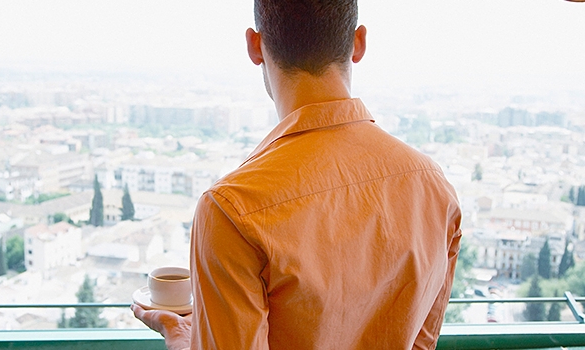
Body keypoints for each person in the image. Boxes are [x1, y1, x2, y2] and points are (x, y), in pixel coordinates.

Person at [132, 1, 462, 349]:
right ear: (358, 43)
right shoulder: (433, 186)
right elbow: (422, 343)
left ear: (255, 46)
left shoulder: (232, 210)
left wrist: (185, 341)